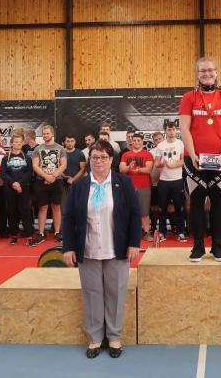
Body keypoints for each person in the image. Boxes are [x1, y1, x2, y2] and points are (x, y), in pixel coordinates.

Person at [62, 140, 141, 359]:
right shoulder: (79, 186)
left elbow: (135, 214)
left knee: (116, 293)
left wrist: (134, 243)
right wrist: (68, 247)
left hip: (117, 249)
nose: (99, 161)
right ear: (89, 160)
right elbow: (68, 218)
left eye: (103, 157)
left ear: (111, 160)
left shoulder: (124, 183)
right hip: (88, 250)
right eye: (95, 157)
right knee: (92, 294)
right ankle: (95, 338)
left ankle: (114, 337)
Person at [179, 56, 221, 262]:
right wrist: (193, 154)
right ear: (197, 74)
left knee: (219, 201)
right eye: (203, 70)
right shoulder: (189, 97)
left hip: (220, 161)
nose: (207, 73)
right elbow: (184, 128)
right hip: (194, 159)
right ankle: (198, 247)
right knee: (195, 202)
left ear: (216, 73)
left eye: (210, 70)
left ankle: (218, 246)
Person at [30, 125, 67, 246]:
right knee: (43, 208)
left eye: (47, 133)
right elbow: (35, 165)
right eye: (44, 133)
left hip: (57, 181)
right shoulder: (38, 149)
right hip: (41, 181)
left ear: (52, 134)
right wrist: (46, 177)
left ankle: (57, 232)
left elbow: (63, 165)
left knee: (56, 207)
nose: (45, 135)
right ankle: (41, 233)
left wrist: (53, 176)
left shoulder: (60, 148)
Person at [154, 122, 186, 241]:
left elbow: (183, 161)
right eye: (169, 130)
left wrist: (172, 166)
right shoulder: (160, 145)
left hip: (177, 180)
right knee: (162, 208)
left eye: (173, 129)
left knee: (179, 207)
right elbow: (157, 163)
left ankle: (181, 232)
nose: (171, 132)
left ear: (176, 130)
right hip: (164, 181)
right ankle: (162, 232)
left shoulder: (180, 143)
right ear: (165, 131)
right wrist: (161, 163)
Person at [0, 133, 34, 245]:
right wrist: (13, 183)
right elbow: (3, 174)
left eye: (20, 142)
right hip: (10, 188)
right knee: (12, 212)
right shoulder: (5, 158)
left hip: (23, 188)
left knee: (25, 211)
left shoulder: (27, 158)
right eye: (16, 142)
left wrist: (19, 183)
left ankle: (29, 236)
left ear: (22, 143)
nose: (18, 144)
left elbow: (29, 173)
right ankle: (14, 235)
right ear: (11, 143)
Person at [119, 132, 154, 239]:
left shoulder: (147, 154)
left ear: (142, 142)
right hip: (129, 187)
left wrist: (136, 169)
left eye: (138, 140)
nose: (136, 142)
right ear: (131, 142)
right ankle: (131, 233)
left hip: (144, 186)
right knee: (129, 211)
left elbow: (148, 169)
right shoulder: (126, 155)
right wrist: (129, 168)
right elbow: (121, 169)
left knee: (144, 212)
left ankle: (146, 233)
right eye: (134, 140)